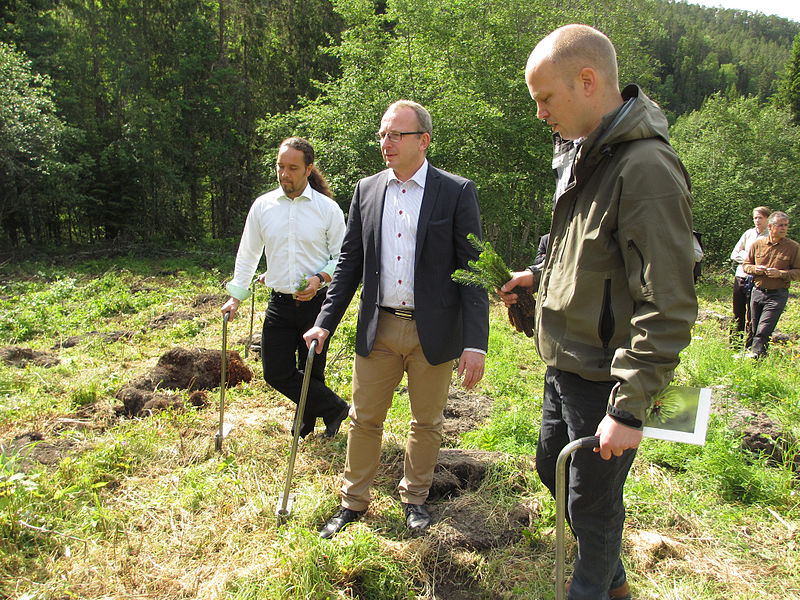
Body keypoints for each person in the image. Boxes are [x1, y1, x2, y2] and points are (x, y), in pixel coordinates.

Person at [499, 25, 697, 600]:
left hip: (605, 377)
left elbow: (669, 304)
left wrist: (630, 409)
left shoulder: (646, 169)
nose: (540, 114)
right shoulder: (584, 155)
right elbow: (586, 250)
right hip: (564, 361)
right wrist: (536, 276)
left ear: (587, 82)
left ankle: (595, 589)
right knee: (550, 468)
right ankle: (611, 577)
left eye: (545, 99)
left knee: (593, 503)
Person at [303, 100, 489, 538]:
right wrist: (325, 322)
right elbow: (350, 263)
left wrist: (475, 343)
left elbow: (473, 269)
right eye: (382, 134)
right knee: (365, 419)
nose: (386, 143)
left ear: (423, 141)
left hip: (434, 332)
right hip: (380, 326)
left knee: (426, 422)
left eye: (396, 135)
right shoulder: (367, 190)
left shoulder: (456, 191)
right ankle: (353, 502)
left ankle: (416, 500)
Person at [221, 137, 349, 439]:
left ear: (308, 170)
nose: (284, 174)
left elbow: (342, 256)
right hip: (279, 304)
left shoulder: (327, 210)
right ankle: (335, 407)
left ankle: (305, 424)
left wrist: (320, 278)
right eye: (280, 167)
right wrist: (235, 296)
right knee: (276, 372)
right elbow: (248, 253)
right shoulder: (263, 206)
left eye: (292, 168)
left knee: (311, 370)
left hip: (317, 305)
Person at [742, 211, 800, 358]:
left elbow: (798, 272)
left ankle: (755, 358)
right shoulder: (758, 244)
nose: (784, 228)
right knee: (754, 328)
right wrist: (756, 269)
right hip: (757, 291)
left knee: (764, 328)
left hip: (777, 294)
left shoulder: (793, 247)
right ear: (770, 226)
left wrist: (781, 273)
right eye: (780, 225)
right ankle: (760, 356)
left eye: (786, 225)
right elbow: (746, 265)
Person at [730, 207, 770, 347]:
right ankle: (734, 344)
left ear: (767, 219)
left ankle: (749, 346)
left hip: (756, 278)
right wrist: (748, 259)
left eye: (760, 218)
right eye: (755, 218)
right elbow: (734, 254)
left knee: (752, 314)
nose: (757, 221)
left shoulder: (769, 236)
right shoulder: (748, 234)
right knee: (737, 312)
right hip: (741, 275)